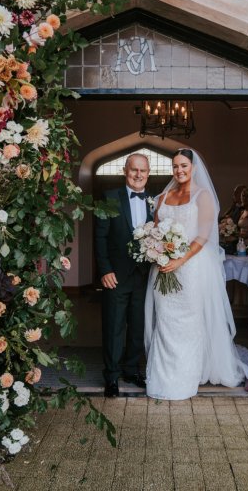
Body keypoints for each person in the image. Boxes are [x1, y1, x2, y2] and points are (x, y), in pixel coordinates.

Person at [144, 148, 248, 400]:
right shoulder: (163, 197)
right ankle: (162, 374)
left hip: (192, 267)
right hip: (164, 266)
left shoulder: (203, 197)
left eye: (184, 166)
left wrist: (180, 259)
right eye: (175, 166)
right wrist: (158, 251)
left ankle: (187, 375)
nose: (179, 171)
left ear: (193, 168)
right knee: (166, 319)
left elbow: (203, 236)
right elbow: (156, 230)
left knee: (189, 321)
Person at [94, 153, 153, 398]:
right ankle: (112, 376)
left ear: (148, 173)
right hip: (116, 276)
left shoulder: (155, 201)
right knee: (114, 327)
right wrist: (105, 270)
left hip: (144, 276)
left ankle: (131, 370)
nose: (138, 175)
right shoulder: (109, 198)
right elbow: (100, 237)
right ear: (124, 170)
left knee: (138, 326)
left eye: (143, 171)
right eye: (134, 170)